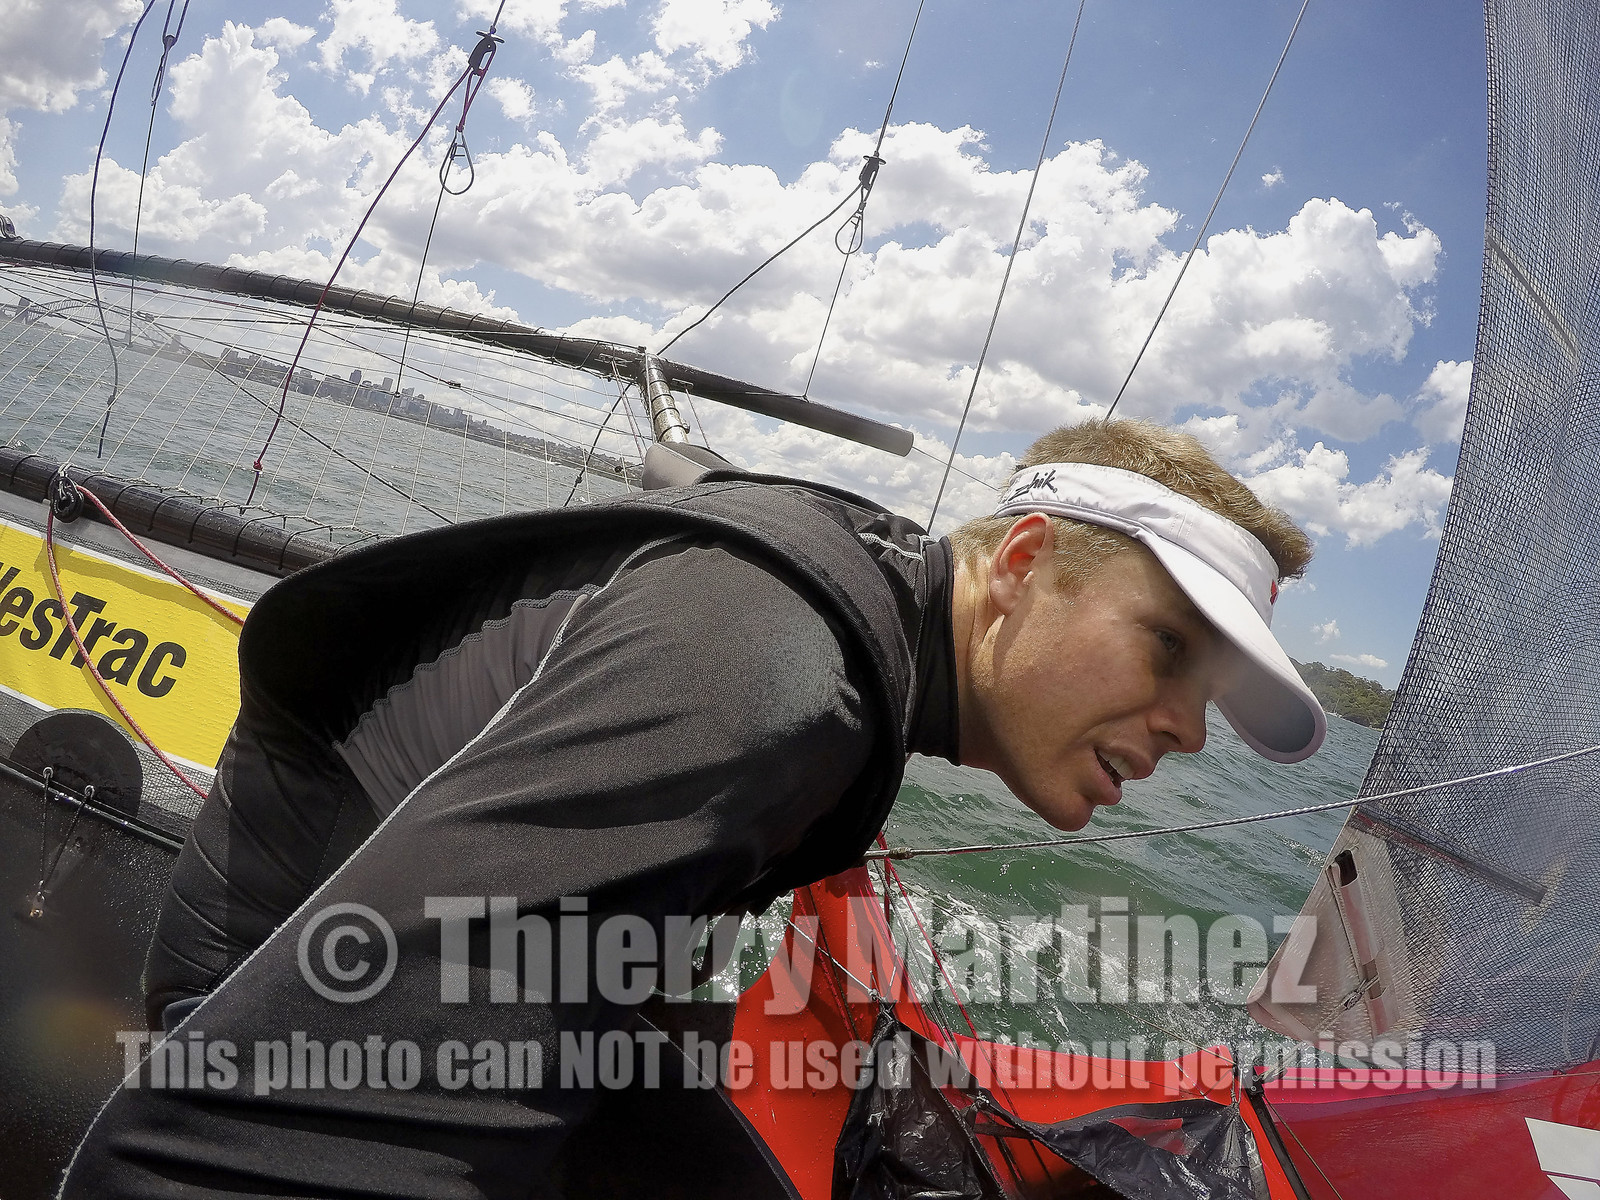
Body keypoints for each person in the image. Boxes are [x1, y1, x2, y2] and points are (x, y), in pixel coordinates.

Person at [61, 418, 1322, 1197]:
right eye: (1167, 651)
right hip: (269, 997)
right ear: (1025, 563)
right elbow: (238, 1155)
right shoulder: (773, 679)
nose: (1184, 727)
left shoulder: (845, 616)